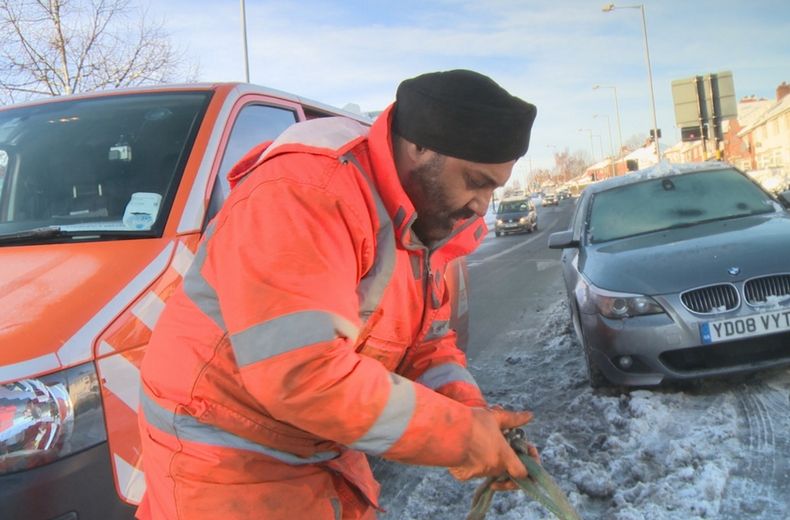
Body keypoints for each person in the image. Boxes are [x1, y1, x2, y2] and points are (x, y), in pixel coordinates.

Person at [137, 69, 538, 519]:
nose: (482, 205)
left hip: (312, 449)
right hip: (222, 467)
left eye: (494, 188)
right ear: (420, 148)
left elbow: (427, 346)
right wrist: (462, 439)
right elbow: (302, 373)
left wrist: (475, 418)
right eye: (475, 181)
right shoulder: (307, 192)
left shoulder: (419, 223)